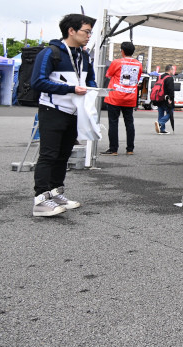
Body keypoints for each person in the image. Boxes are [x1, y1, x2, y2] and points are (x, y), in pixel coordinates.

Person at [30, 13, 97, 217]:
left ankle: (56, 193)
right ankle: (40, 200)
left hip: (75, 112)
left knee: (63, 155)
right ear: (71, 31)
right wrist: (70, 89)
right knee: (48, 155)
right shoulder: (50, 53)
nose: (89, 36)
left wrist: (92, 89)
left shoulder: (84, 56)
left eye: (90, 32)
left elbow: (90, 79)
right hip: (52, 110)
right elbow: (37, 82)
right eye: (86, 32)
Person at [101, 41, 142, 156]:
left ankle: (113, 149)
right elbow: (137, 78)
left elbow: (108, 74)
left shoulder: (116, 62)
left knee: (113, 122)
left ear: (122, 51)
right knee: (129, 123)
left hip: (115, 96)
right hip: (130, 96)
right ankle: (130, 149)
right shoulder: (138, 64)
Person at [153, 65, 175, 134]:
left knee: (161, 113)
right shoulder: (169, 78)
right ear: (170, 70)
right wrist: (171, 99)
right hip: (166, 99)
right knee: (170, 113)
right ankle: (160, 123)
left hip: (159, 98)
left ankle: (161, 129)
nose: (173, 71)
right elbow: (171, 90)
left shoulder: (159, 77)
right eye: (173, 70)